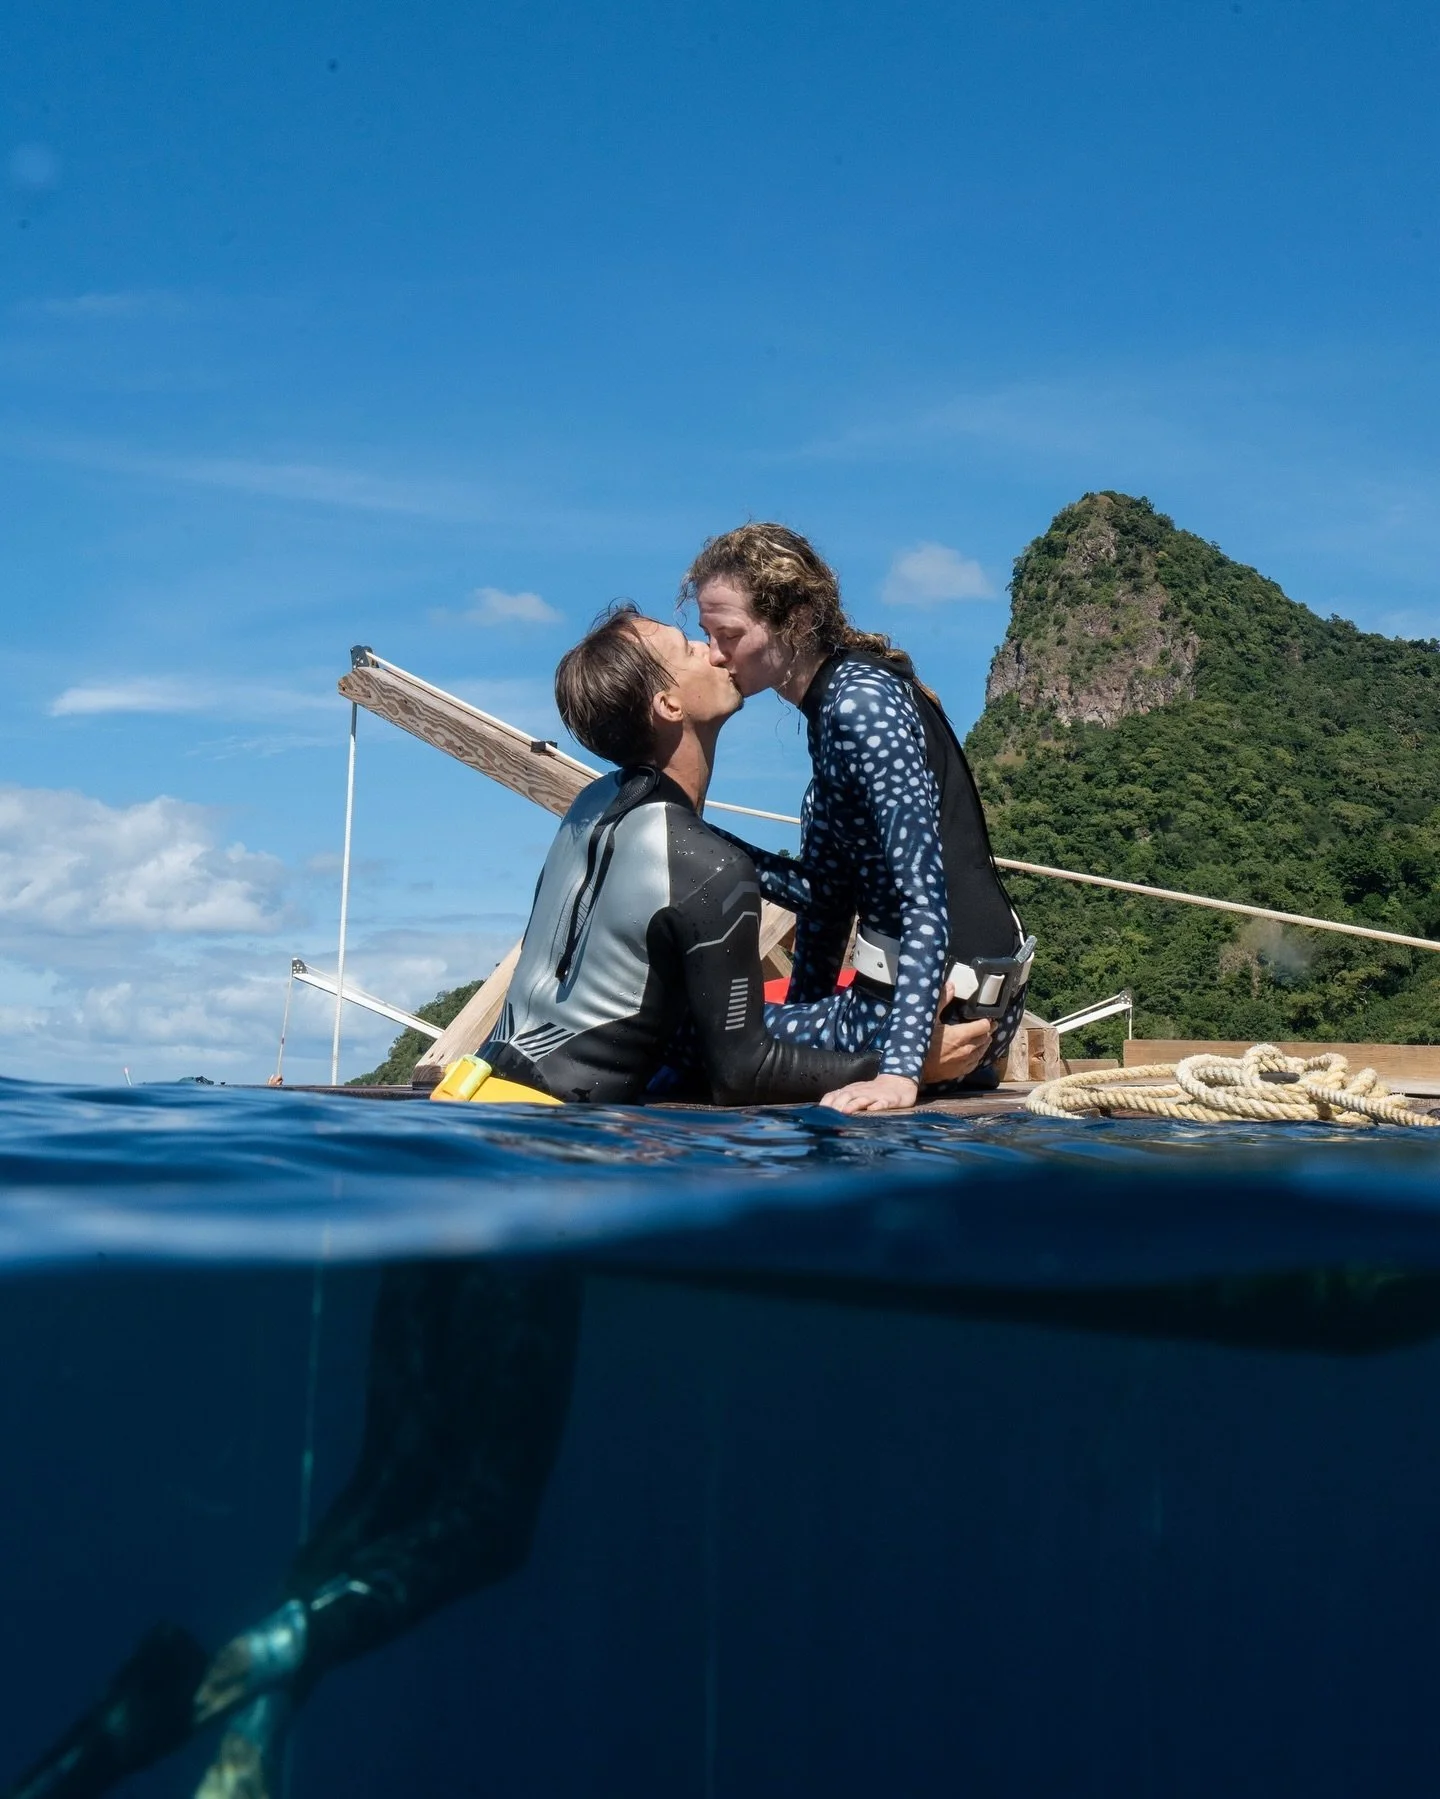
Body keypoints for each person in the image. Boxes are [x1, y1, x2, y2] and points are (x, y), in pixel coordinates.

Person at [3, 1258, 581, 1799]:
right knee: (488, 1517)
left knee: (389, 1483)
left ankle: (225, 1720)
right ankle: (286, 1651)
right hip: (527, 1205)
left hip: (434, 1210)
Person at [481, 603, 990, 1106]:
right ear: (669, 705)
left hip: (482, 1091)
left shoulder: (591, 809)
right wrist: (899, 1065)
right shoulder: (707, 867)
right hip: (568, 1141)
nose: (712, 652)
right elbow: (743, 1073)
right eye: (689, 649)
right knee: (871, 1023)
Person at [684, 524, 1033, 1116]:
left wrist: (900, 1074)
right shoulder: (834, 702)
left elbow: (924, 898)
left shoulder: (858, 703)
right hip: (933, 1001)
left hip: (944, 1009)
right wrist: (691, 834)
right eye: (708, 636)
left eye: (729, 634)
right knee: (737, 1042)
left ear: (794, 620)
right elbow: (825, 899)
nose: (717, 655)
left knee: (688, 1041)